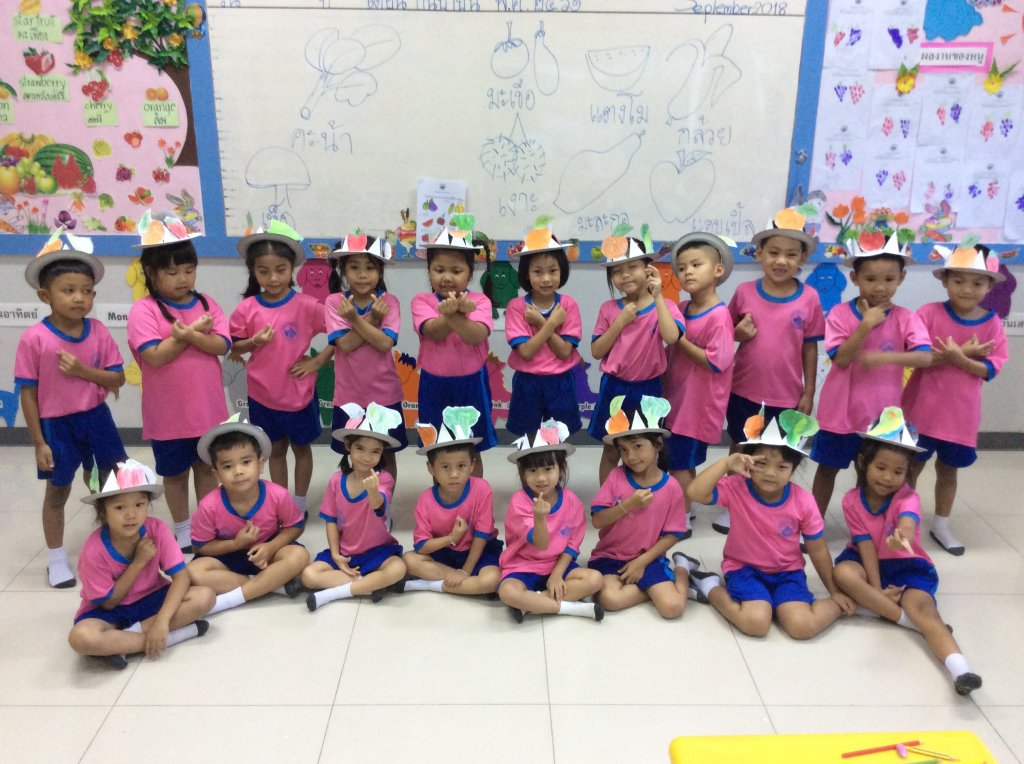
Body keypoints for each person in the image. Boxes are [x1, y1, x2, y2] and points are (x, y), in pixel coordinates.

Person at [832, 407, 983, 696]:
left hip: (907, 567)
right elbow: (865, 547)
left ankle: (961, 670)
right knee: (843, 573)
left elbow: (908, 523)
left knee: (924, 610)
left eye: (898, 471)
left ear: (908, 472)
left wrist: (902, 536)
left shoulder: (908, 498)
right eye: (881, 468)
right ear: (863, 463)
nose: (888, 477)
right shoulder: (852, 500)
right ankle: (904, 620)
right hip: (866, 561)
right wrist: (877, 589)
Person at [17, 230, 127, 587]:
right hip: (57, 426)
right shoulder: (35, 338)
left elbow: (118, 378)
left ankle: (115, 546)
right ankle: (56, 559)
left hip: (97, 419)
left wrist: (83, 371)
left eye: (87, 291)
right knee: (58, 490)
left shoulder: (98, 331)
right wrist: (39, 442)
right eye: (69, 290)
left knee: (113, 484)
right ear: (45, 295)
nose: (80, 298)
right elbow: (28, 394)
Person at [687, 410, 855, 639]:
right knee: (757, 623)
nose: (770, 473)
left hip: (788, 572)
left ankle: (853, 602)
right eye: (762, 463)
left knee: (801, 626)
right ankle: (709, 586)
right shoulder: (737, 487)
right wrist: (726, 463)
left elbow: (817, 550)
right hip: (744, 569)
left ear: (793, 469)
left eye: (782, 467)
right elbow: (695, 492)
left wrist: (835, 591)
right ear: (748, 461)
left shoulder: (804, 502)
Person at [127, 211, 230, 551]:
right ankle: (183, 528)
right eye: (172, 272)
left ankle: (206, 523)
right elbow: (154, 356)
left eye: (188, 270)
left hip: (207, 410)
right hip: (168, 415)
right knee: (174, 473)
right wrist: (191, 334)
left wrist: (189, 334)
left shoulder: (206, 303)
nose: (183, 279)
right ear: (151, 273)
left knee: (207, 468)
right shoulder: (144, 310)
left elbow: (222, 345)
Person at [810, 231, 930, 517]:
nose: (880, 287)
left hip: (881, 419)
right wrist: (865, 325)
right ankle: (811, 524)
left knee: (871, 477)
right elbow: (841, 358)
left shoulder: (907, 318)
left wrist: (886, 357)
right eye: (870, 279)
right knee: (827, 469)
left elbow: (925, 357)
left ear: (901, 278)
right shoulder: (839, 314)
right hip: (839, 414)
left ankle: (866, 526)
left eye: (889, 279)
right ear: (855, 278)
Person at [720, 209, 824, 533]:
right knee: (741, 445)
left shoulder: (809, 298)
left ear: (803, 258)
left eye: (791, 254)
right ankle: (733, 502)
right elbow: (723, 331)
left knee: (778, 452)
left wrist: (808, 391)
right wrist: (736, 334)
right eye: (774, 252)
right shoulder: (744, 292)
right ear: (759, 253)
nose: (781, 261)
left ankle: (770, 503)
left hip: (787, 394)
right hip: (744, 390)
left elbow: (810, 347)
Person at [902, 243, 1009, 555]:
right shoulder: (927, 314)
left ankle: (941, 525)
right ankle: (900, 520)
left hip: (960, 417)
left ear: (989, 286)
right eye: (959, 280)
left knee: (948, 471)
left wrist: (959, 358)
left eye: (977, 283)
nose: (967, 289)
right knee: (909, 468)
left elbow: (989, 370)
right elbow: (916, 358)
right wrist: (960, 354)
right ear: (945, 281)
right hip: (920, 411)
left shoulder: (992, 324)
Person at [68, 459, 214, 669]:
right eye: (119, 507)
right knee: (81, 638)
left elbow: (181, 577)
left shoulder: (157, 529)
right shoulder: (93, 550)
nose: (131, 515)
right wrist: (139, 562)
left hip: (152, 598)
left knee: (205, 596)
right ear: (103, 512)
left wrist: (162, 621)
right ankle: (173, 636)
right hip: (109, 612)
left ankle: (123, 643)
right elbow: (108, 603)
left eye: (139, 504)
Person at [229, 221, 331, 518]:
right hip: (262, 395)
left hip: (298, 396)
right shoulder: (247, 308)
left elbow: (341, 333)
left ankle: (298, 501)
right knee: (274, 451)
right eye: (264, 271)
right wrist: (253, 342)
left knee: (301, 448)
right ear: (253, 271)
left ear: (292, 269)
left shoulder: (307, 305)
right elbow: (233, 347)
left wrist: (316, 362)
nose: (273, 278)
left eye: (280, 270)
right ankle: (281, 501)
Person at [589, 395, 699, 619]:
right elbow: (597, 521)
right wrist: (627, 505)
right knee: (610, 599)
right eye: (623, 450)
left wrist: (641, 562)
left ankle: (682, 569)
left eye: (637, 446)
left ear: (657, 444)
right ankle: (656, 588)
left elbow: (673, 534)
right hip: (610, 556)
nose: (630, 456)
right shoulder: (616, 477)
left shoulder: (671, 487)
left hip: (649, 558)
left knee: (672, 608)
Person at [589, 225, 685, 484]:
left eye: (632, 267)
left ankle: (647, 494)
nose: (625, 275)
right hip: (615, 388)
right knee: (612, 448)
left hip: (649, 389)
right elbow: (597, 351)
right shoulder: (609, 308)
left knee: (648, 448)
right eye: (617, 270)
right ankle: (608, 498)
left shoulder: (665, 306)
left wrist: (659, 296)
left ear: (648, 269)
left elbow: (671, 337)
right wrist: (620, 322)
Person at [188, 418, 309, 614]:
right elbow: (201, 546)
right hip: (228, 555)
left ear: (260, 465)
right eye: (227, 466)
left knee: (299, 556)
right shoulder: (208, 505)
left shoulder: (277, 495)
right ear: (216, 474)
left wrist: (271, 547)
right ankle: (271, 585)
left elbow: (295, 526)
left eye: (246, 462)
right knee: (192, 572)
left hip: (268, 551)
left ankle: (232, 599)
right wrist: (235, 544)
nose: (238, 472)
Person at [411, 214, 496, 476]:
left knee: (473, 447)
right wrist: (455, 313)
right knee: (437, 446)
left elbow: (475, 335)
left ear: (470, 273)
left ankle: (475, 494)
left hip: (471, 384)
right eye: (439, 270)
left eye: (456, 271)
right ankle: (442, 493)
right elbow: (432, 331)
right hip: (433, 384)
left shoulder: (480, 301)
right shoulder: (422, 301)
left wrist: (454, 314)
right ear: (429, 271)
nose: (447, 277)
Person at [662, 232, 735, 530]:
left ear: (718, 270)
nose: (687, 272)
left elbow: (716, 361)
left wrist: (680, 340)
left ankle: (680, 520)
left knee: (680, 463)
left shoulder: (719, 316)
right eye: (682, 268)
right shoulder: (681, 309)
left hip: (696, 408)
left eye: (696, 265)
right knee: (679, 460)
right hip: (676, 400)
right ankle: (686, 509)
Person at [302, 403, 407, 609]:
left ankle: (336, 593)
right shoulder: (336, 480)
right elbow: (331, 520)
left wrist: (373, 490)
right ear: (348, 446)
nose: (367, 457)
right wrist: (335, 554)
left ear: (382, 454)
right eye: (360, 448)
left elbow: (379, 508)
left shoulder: (384, 479)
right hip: (346, 552)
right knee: (308, 575)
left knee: (398, 568)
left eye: (375, 451)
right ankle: (369, 585)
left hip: (378, 551)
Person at [498, 420, 604, 622]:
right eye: (532, 471)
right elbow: (541, 543)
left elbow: (572, 546)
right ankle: (572, 609)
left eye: (548, 469)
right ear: (523, 473)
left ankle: (531, 604)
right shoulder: (519, 502)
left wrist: (556, 574)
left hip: (557, 564)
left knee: (595, 579)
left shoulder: (572, 502)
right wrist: (539, 518)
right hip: (523, 565)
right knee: (507, 591)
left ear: (561, 469)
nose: (541, 478)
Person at [326, 232, 405, 482]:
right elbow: (346, 344)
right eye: (354, 267)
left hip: (384, 394)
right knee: (353, 455)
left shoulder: (389, 302)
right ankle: (355, 501)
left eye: (370, 268)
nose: (362, 275)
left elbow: (384, 343)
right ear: (343, 271)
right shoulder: (335, 302)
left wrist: (355, 320)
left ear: (380, 271)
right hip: (348, 395)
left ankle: (384, 503)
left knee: (386, 454)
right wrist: (370, 319)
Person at [402, 406, 502, 595]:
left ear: (472, 465)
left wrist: (464, 571)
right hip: (444, 551)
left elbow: (482, 535)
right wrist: (452, 538)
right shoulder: (426, 500)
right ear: (431, 468)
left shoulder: (481, 488)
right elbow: (421, 547)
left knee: (493, 578)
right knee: (408, 560)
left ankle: (429, 585)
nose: (454, 474)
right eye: (445, 467)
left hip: (478, 551)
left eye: (461, 466)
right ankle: (471, 586)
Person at [504, 218, 583, 438]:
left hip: (561, 382)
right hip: (527, 382)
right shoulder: (517, 307)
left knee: (559, 438)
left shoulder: (568, 305)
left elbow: (564, 351)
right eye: (538, 272)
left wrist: (540, 322)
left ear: (562, 271)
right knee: (527, 439)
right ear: (526, 274)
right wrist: (549, 323)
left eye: (553, 270)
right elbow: (526, 352)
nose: (546, 279)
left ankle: (556, 463)